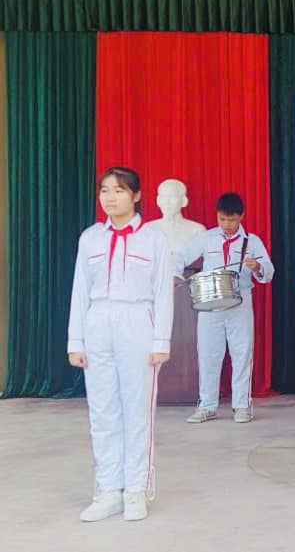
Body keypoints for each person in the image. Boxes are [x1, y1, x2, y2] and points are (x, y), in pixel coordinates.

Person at [68, 166, 173, 522]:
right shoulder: (90, 238)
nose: (110, 198)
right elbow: (80, 290)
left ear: (136, 195)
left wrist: (161, 340)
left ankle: (136, 490)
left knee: (137, 410)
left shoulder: (154, 239)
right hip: (98, 320)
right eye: (104, 190)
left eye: (118, 190)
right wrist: (76, 341)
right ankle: (108, 490)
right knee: (102, 411)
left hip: (137, 321)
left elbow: (163, 292)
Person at [178, 192, 274, 424]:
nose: (227, 224)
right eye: (222, 219)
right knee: (208, 355)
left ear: (241, 216)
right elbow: (181, 257)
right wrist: (174, 274)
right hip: (209, 306)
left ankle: (242, 406)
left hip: (240, 303)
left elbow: (269, 272)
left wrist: (257, 266)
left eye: (231, 220)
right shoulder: (207, 238)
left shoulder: (252, 241)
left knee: (242, 354)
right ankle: (207, 405)